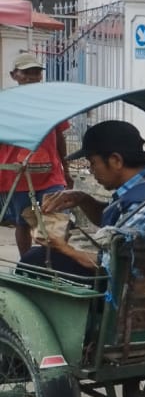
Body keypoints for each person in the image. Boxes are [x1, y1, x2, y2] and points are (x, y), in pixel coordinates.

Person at [27, 120, 145, 277]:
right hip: (138, 270)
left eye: (93, 163)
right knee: (38, 255)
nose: (91, 170)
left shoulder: (141, 207)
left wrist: (64, 248)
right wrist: (82, 198)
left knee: (34, 260)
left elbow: (108, 264)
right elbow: (113, 218)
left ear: (116, 160)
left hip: (126, 283)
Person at [0, 52, 70, 255]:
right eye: (27, 73)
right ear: (14, 75)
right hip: (17, 173)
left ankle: (50, 263)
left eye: (36, 73)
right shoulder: (5, 103)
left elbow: (60, 135)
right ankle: (27, 264)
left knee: (55, 221)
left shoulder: (50, 102)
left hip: (50, 173)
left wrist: (66, 168)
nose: (32, 77)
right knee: (22, 223)